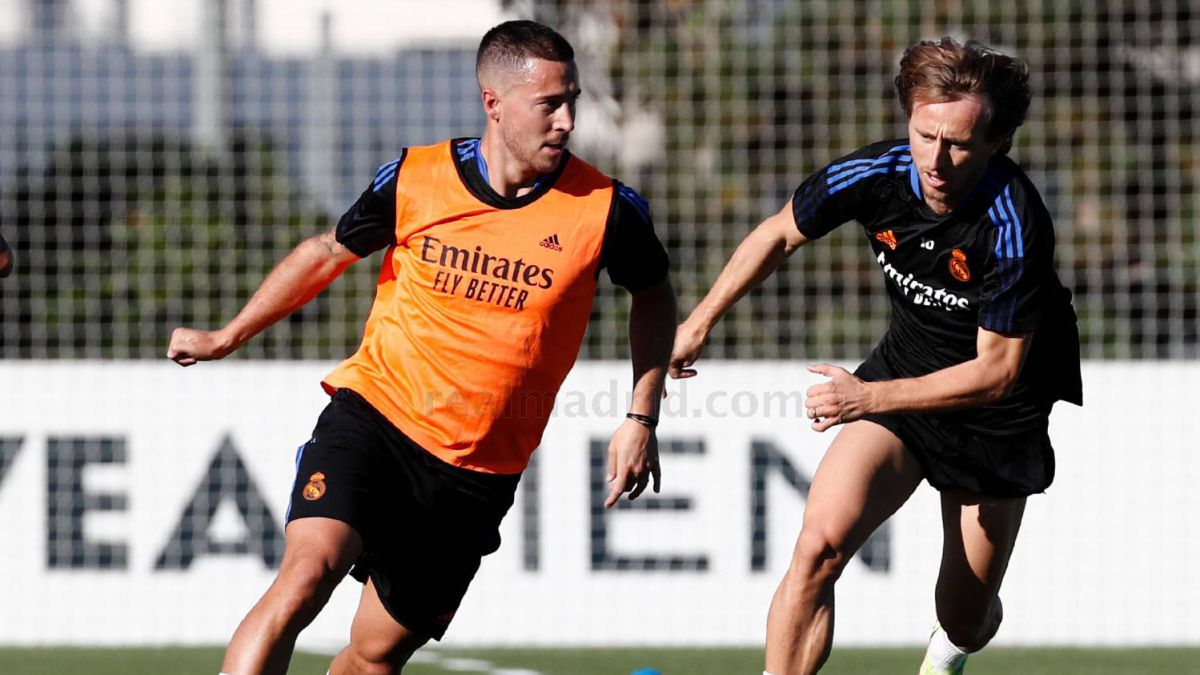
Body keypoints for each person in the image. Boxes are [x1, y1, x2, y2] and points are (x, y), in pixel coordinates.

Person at [168, 20, 676, 675]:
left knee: (376, 652)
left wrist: (642, 415)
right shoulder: (417, 177)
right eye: (550, 103)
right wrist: (226, 335)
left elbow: (655, 292)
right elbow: (327, 252)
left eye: (572, 99)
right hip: (376, 417)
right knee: (303, 578)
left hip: (475, 473)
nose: (568, 121)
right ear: (494, 104)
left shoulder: (607, 208)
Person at [669, 38, 1081, 675]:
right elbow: (779, 232)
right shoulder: (875, 174)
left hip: (995, 414)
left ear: (997, 143)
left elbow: (995, 374)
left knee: (964, 615)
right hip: (903, 373)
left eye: (960, 144)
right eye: (924, 135)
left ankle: (954, 642)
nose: (936, 161)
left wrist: (866, 398)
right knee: (817, 550)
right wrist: (697, 322)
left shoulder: (1014, 222)